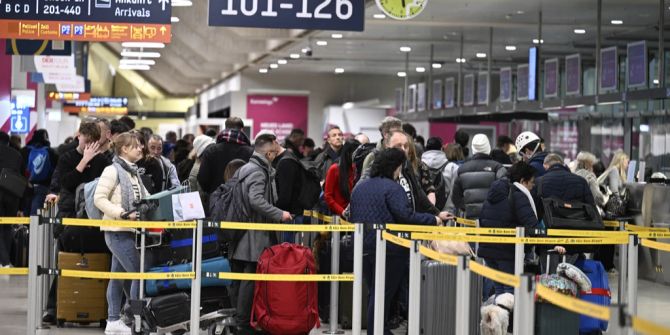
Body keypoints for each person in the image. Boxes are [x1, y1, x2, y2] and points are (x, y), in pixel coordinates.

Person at [350, 148, 443, 335]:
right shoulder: (393, 188)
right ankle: (377, 332)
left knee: (374, 292)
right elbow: (405, 216)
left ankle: (379, 330)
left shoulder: (359, 188)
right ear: (396, 167)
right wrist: (434, 219)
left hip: (362, 247)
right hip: (389, 249)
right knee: (383, 293)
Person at [228, 132, 292, 335]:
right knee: (250, 278)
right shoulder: (257, 171)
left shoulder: (246, 168)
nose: (276, 152)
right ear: (269, 152)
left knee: (245, 278)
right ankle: (243, 324)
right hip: (254, 233)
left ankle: (243, 321)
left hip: (244, 232)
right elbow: (256, 200)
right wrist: (279, 214)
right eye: (274, 148)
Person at [479, 161, 566, 296]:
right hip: (507, 252)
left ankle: (499, 316)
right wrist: (553, 244)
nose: (532, 186)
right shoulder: (518, 195)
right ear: (522, 181)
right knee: (510, 291)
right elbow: (532, 225)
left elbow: (482, 219)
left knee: (499, 291)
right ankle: (510, 318)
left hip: (488, 251)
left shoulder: (494, 193)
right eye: (531, 182)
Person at [94, 132, 148, 335]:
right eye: (136, 146)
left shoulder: (134, 173)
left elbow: (145, 197)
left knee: (117, 277)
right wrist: (123, 214)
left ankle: (114, 321)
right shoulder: (112, 170)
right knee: (139, 275)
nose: (141, 148)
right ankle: (136, 320)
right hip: (117, 231)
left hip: (129, 231)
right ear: (124, 149)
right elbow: (99, 199)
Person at [46, 122, 112, 218]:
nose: (87, 146)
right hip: (69, 209)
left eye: (92, 142)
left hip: (92, 211)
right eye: (86, 141)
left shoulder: (102, 161)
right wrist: (83, 162)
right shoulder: (67, 157)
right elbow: (66, 183)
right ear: (79, 136)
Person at [452, 134, 506, 219]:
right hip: (492, 219)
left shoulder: (462, 169)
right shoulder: (498, 168)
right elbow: (505, 192)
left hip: (469, 219)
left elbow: (455, 197)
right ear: (488, 147)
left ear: (473, 149)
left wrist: (467, 208)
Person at [198, 117, 254, 195]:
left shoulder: (211, 151)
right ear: (242, 130)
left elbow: (203, 180)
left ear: (226, 128)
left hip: (216, 201)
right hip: (243, 202)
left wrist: (213, 192)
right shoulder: (251, 152)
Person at [0, 131, 24, 268]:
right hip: (12, 195)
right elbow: (22, 178)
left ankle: (4, 261)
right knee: (7, 227)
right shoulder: (17, 155)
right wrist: (21, 206)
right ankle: (6, 259)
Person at [21, 129, 58, 215]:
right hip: (43, 187)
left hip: (25, 186)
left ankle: (24, 227)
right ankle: (33, 228)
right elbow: (55, 171)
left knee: (25, 211)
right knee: (36, 214)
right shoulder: (50, 152)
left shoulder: (24, 151)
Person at [324, 140, 359, 216]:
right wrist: (342, 211)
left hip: (353, 213)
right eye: (355, 154)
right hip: (337, 216)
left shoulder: (355, 168)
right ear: (348, 153)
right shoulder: (334, 169)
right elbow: (328, 196)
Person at [187, 135, 215, 205]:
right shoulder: (198, 169)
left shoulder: (207, 164)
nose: (214, 149)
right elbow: (199, 198)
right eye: (211, 147)